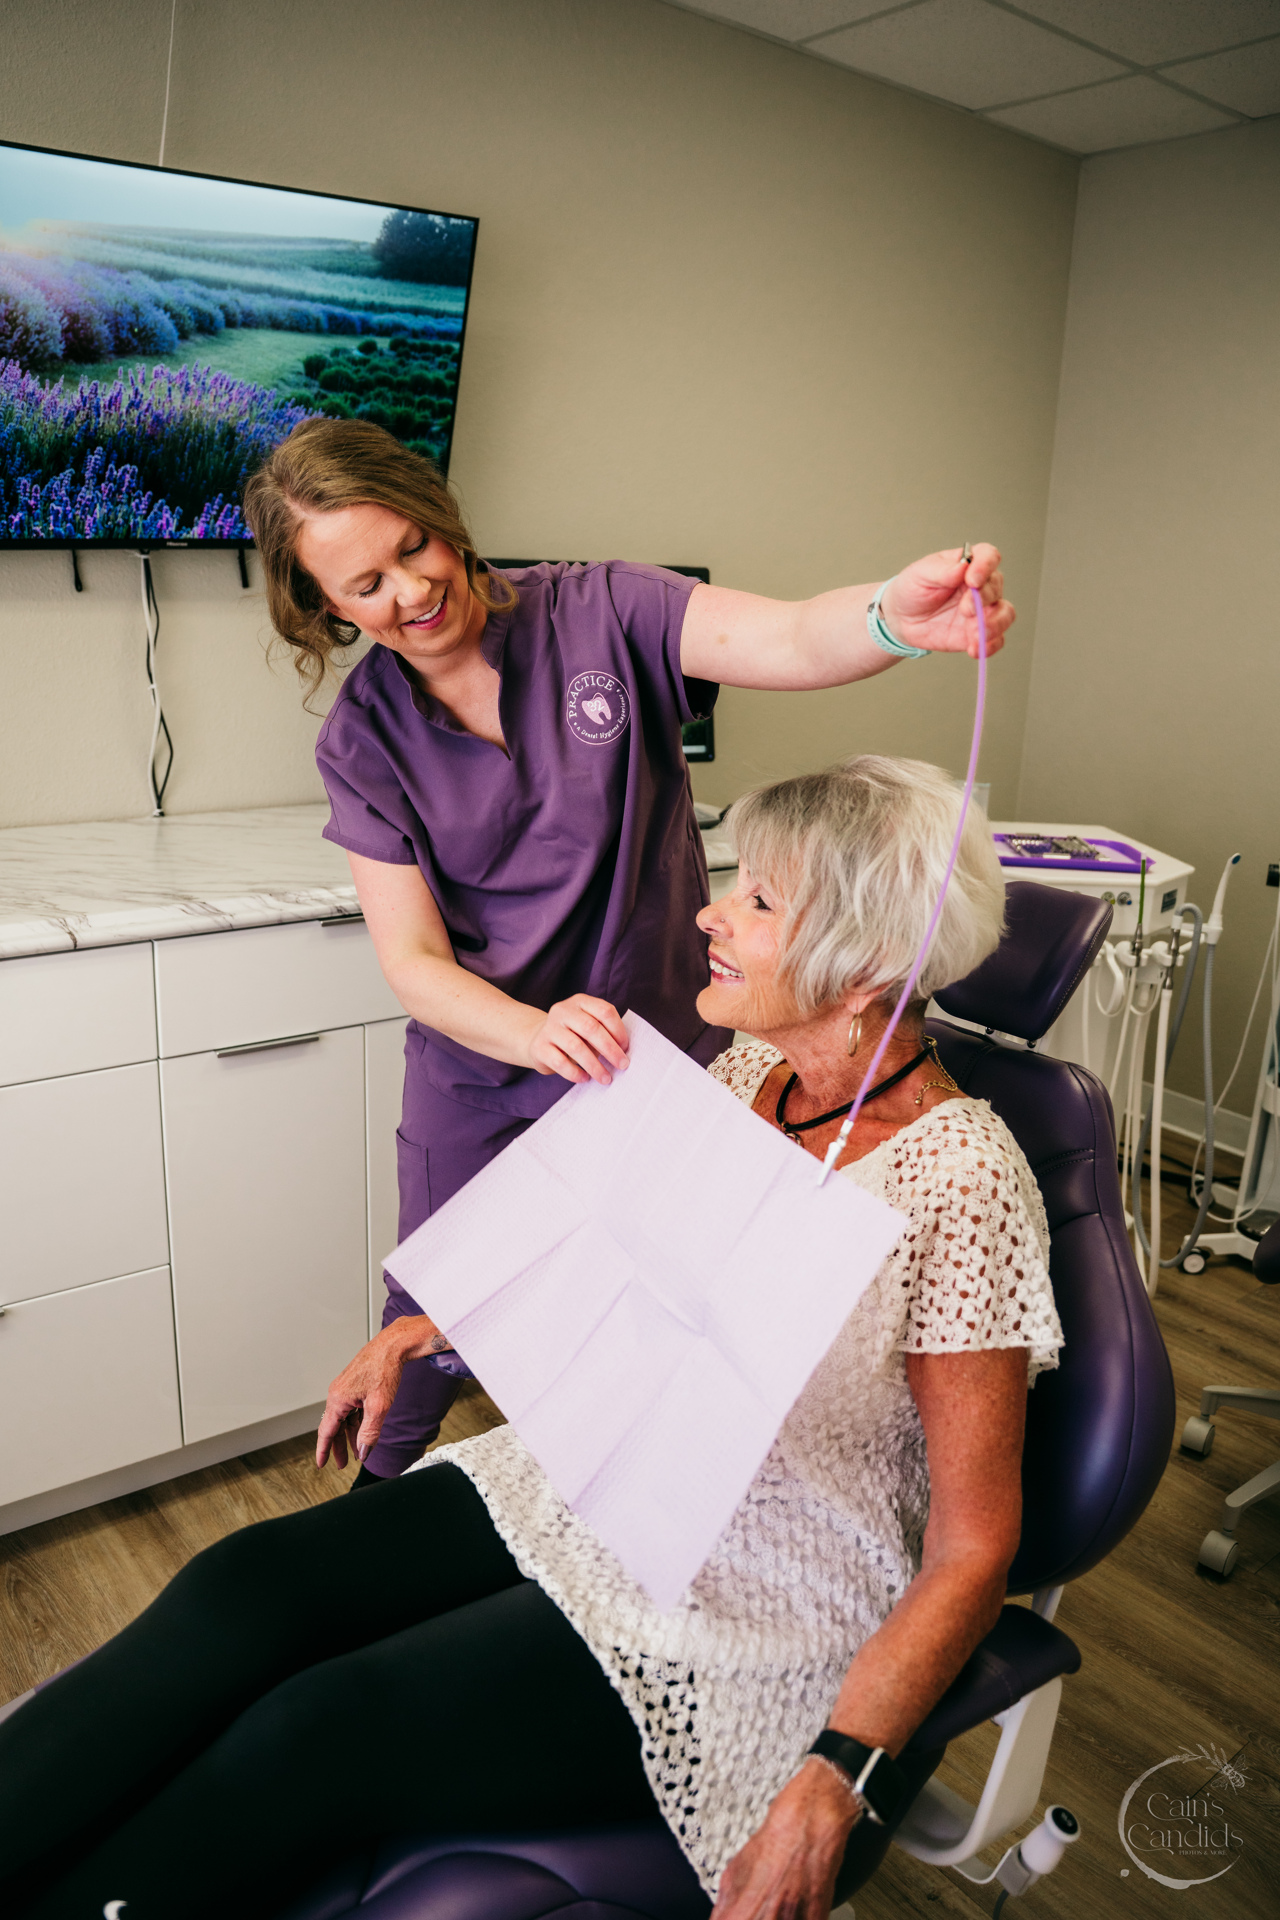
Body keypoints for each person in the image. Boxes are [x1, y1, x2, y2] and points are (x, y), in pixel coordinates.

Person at [0, 756, 1063, 1920]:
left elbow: (971, 1546)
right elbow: (628, 1255)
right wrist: (426, 1324)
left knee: (320, 1727)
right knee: (241, 1587)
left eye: (756, 900)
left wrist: (835, 1780)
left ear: (865, 964)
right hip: (608, 1470)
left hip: (763, 1583)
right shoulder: (754, 1068)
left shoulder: (961, 1182)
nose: (709, 911)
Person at [242, 419, 1016, 1482]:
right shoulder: (364, 737)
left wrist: (891, 615)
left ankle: (621, 1516)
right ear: (327, 609)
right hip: (480, 1067)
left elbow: (787, 638)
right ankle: (376, 1511)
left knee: (642, 1309)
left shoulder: (601, 609)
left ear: (442, 520)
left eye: (412, 549)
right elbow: (413, 960)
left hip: (655, 1054)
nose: (409, 594)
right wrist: (529, 1029)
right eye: (364, 586)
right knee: (430, 1311)